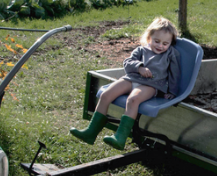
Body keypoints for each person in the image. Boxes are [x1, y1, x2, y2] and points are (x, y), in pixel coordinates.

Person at [70, 17, 181, 150]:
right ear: (149, 37)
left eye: (165, 43)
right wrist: (139, 67)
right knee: (106, 95)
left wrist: (172, 92)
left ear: (170, 43)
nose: (160, 46)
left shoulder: (171, 54)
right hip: (132, 78)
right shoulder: (141, 50)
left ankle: (120, 137)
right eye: (157, 41)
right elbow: (127, 63)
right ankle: (90, 132)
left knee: (133, 99)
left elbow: (175, 74)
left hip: (152, 85)